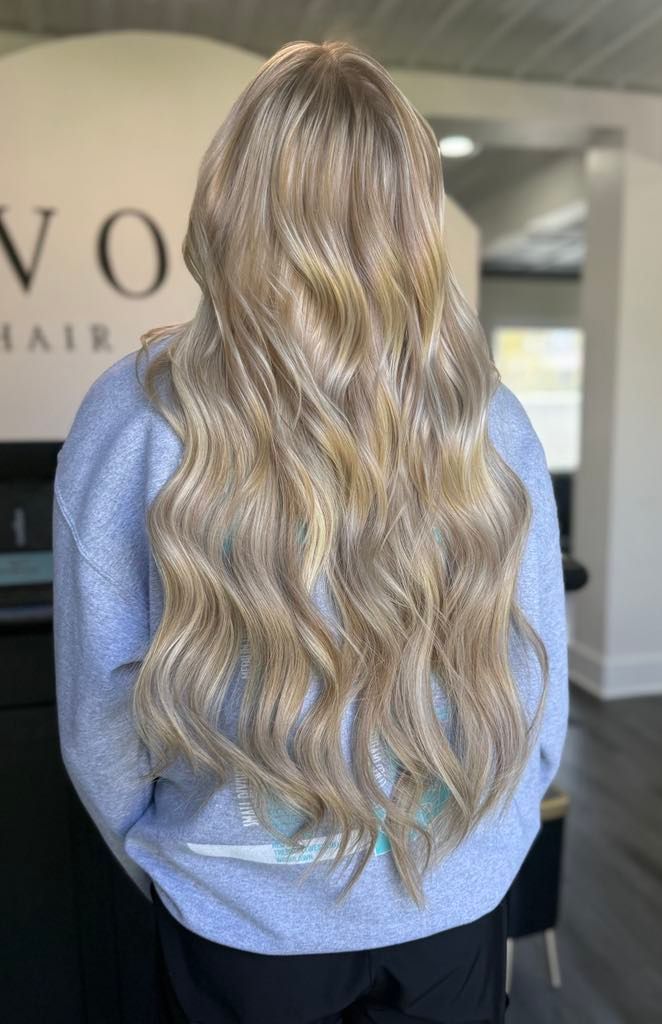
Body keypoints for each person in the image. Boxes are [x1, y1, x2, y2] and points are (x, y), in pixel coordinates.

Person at [52, 39, 569, 1024]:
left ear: (230, 198)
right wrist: (485, 848)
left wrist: (169, 855)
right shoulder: (486, 420)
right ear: (411, 216)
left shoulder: (130, 420)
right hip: (446, 906)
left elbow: (100, 724)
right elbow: (532, 691)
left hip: (238, 921)